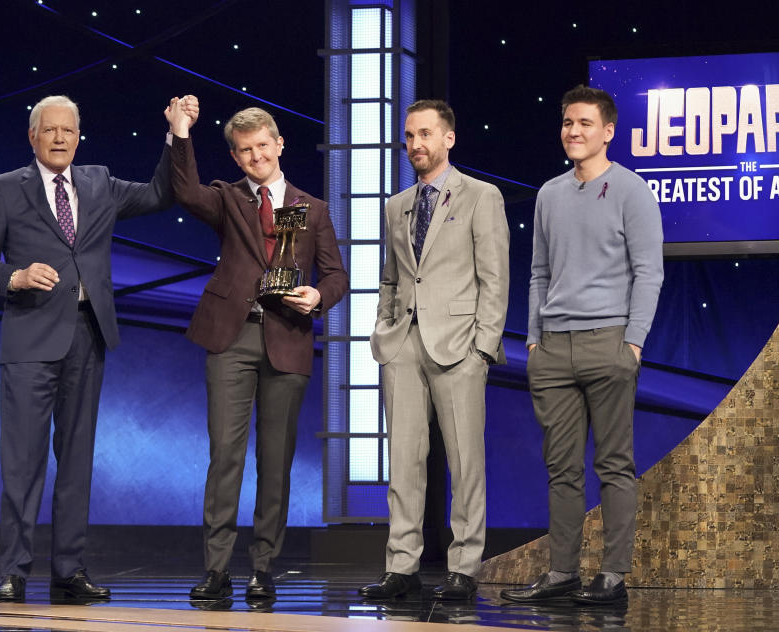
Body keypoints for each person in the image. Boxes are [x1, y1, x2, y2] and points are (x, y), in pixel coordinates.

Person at [0, 94, 184, 602]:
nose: (60, 138)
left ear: (78, 136)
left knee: (78, 459)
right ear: (33, 137)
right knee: (22, 462)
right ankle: (13, 571)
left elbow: (160, 193)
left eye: (68, 130)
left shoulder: (99, 182)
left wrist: (176, 135)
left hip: (87, 336)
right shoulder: (4, 188)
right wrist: (13, 275)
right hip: (29, 340)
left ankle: (69, 569)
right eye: (50, 130)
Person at [164, 98, 347, 601]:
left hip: (287, 339)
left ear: (279, 144)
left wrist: (316, 295)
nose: (256, 157)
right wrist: (180, 132)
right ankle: (216, 568)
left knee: (275, 460)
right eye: (245, 151)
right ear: (235, 156)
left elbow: (336, 276)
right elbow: (183, 190)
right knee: (225, 455)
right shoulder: (227, 198)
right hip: (231, 337)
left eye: (263, 145)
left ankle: (263, 568)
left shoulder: (311, 209)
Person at [500, 85, 663, 606]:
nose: (573, 131)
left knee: (614, 464)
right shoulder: (549, 193)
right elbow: (539, 273)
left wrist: (632, 344)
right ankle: (562, 572)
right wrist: (533, 340)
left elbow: (649, 273)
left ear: (608, 131)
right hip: (552, 350)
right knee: (561, 468)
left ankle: (613, 575)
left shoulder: (632, 190)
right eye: (567, 122)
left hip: (609, 344)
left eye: (585, 123)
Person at [359, 99, 510, 601]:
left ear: (448, 138)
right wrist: (384, 326)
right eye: (409, 136)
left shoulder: (480, 196)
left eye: (425, 134)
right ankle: (401, 567)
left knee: (466, 462)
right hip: (403, 342)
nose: (415, 145)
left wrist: (484, 347)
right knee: (403, 460)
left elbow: (495, 277)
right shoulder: (396, 204)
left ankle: (464, 567)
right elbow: (391, 277)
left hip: (459, 345)